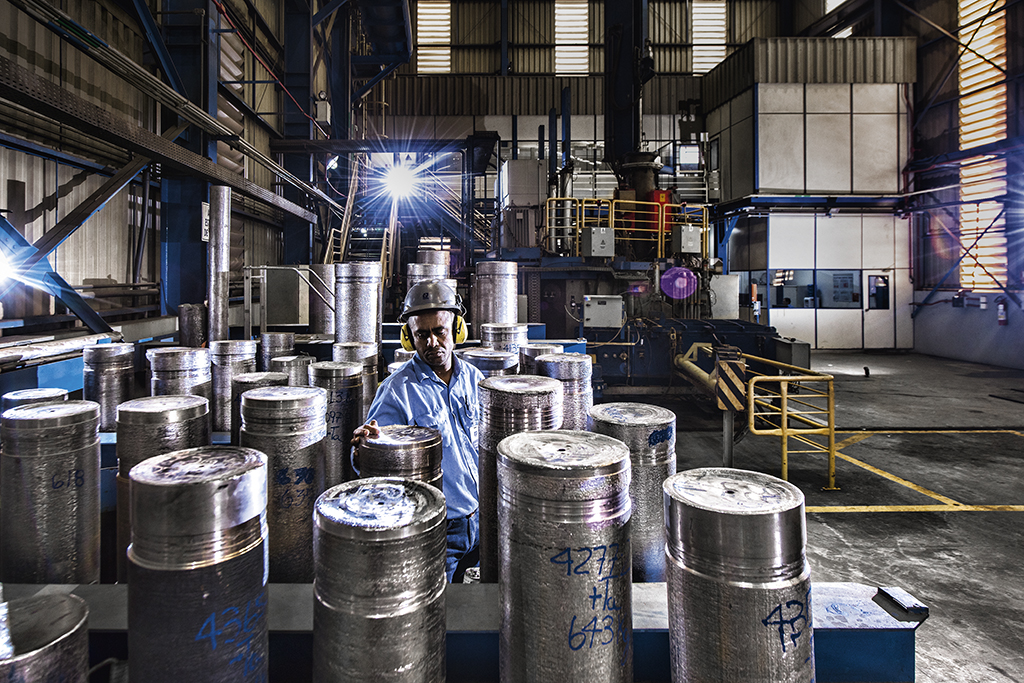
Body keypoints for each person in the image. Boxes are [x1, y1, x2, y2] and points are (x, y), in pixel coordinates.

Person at [352, 279, 482, 582]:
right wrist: (364, 449)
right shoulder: (396, 391)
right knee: (441, 611)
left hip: (481, 518)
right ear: (408, 338)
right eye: (422, 335)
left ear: (457, 330)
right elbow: (369, 456)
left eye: (440, 331)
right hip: (438, 527)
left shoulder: (474, 379)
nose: (433, 343)